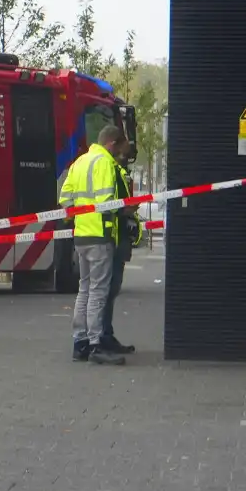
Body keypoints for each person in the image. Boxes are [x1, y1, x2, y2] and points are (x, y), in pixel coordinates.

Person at [58, 125, 135, 366]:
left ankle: (79, 343)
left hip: (81, 235)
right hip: (101, 235)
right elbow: (106, 204)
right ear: (111, 144)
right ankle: (95, 345)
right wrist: (125, 208)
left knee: (84, 291)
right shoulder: (104, 164)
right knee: (99, 293)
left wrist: (78, 217)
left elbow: (65, 200)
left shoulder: (79, 162)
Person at [101, 151, 138, 355]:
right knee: (107, 289)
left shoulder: (117, 171)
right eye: (124, 149)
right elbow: (111, 205)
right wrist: (126, 209)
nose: (127, 154)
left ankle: (103, 335)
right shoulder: (109, 170)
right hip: (111, 237)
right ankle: (102, 337)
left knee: (107, 290)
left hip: (111, 236)